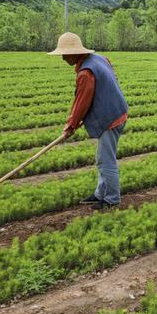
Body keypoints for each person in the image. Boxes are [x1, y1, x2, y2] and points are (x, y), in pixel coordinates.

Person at [48, 32, 128, 210]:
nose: (62, 58)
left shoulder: (85, 72)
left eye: (64, 54)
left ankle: (112, 200)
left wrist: (71, 126)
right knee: (102, 158)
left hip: (111, 118)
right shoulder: (100, 59)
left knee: (105, 160)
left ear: (75, 53)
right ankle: (100, 193)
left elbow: (81, 103)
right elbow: (111, 77)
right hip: (117, 111)